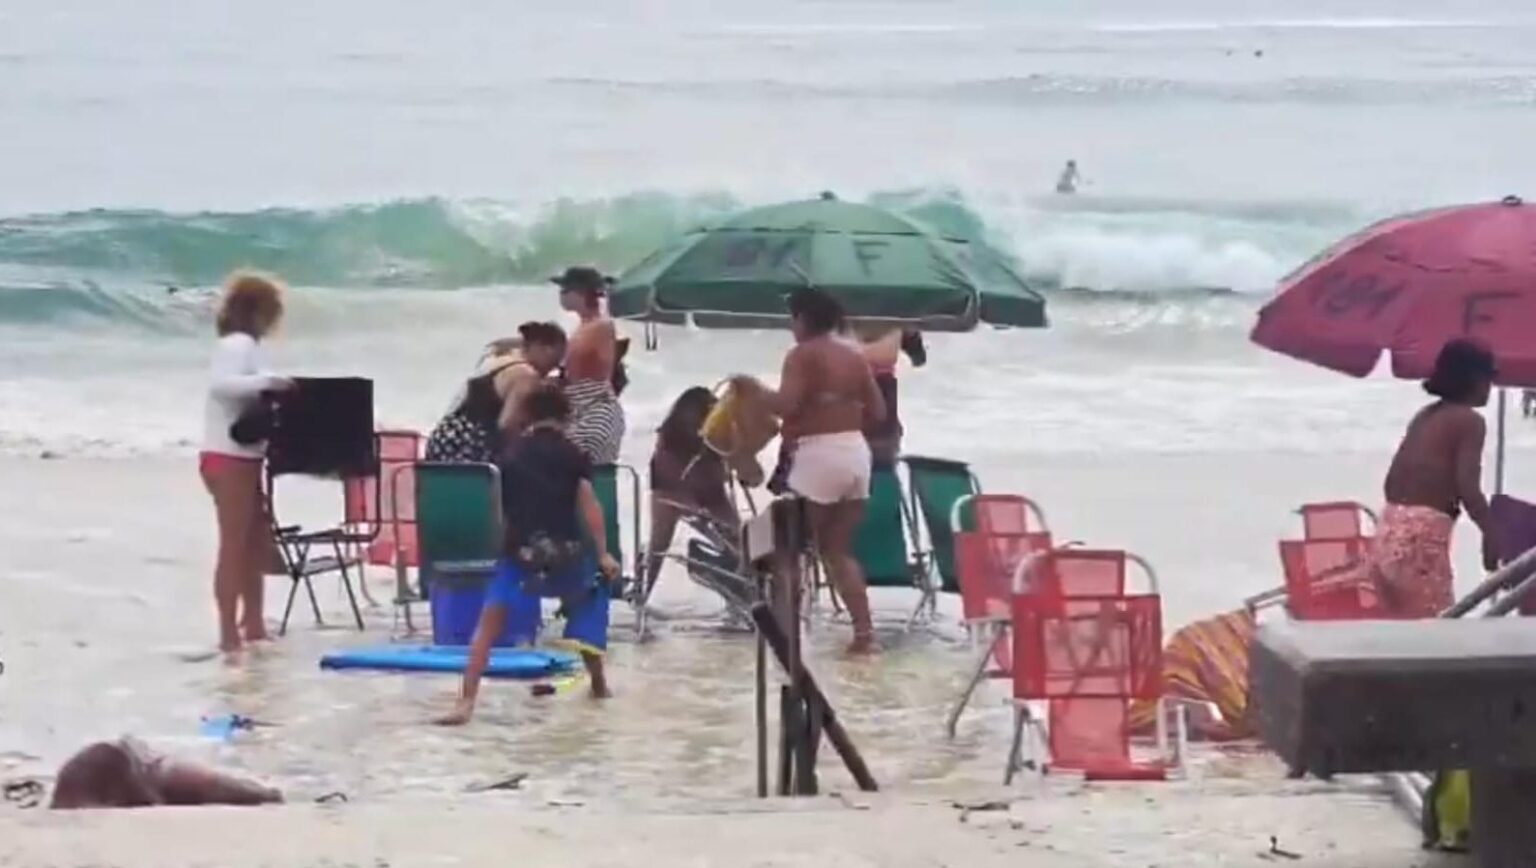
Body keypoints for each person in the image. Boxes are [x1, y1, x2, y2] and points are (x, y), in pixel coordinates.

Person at [437, 385, 623, 725]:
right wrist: (603, 554)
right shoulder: (573, 454)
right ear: (567, 417)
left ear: (527, 417)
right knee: (590, 602)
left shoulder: (509, 454)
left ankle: (465, 703)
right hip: (566, 553)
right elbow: (589, 506)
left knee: (488, 627)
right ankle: (598, 684)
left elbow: (500, 513)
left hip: (519, 555)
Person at [737, 288, 886, 654]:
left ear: (802, 319)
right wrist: (839, 411)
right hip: (855, 453)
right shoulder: (854, 357)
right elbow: (879, 412)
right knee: (838, 550)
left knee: (788, 549)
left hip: (819, 456)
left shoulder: (802, 355)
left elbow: (785, 404)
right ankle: (865, 635)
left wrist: (753, 389)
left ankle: (787, 634)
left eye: (792, 318)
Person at [1368, 338, 1498, 617]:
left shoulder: (1424, 416)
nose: (1491, 385)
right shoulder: (1470, 421)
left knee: (1403, 627)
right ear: (1473, 378)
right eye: (1489, 376)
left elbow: (1392, 481)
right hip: (1420, 539)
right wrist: (1491, 531)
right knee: (1435, 632)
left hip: (1388, 529)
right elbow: (1468, 488)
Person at [201, 272, 293, 654]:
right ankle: (228, 632)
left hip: (242, 458)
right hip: (228, 458)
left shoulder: (247, 347)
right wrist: (270, 381)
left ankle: (252, 622)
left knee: (254, 543)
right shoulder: (236, 345)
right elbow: (222, 385)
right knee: (235, 546)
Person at [643, 387, 740, 599]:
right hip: (670, 492)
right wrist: (691, 506)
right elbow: (663, 473)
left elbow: (730, 461)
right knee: (659, 544)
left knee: (736, 540)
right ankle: (643, 591)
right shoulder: (669, 438)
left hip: (711, 492)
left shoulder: (714, 435)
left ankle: (740, 591)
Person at [424, 322, 567, 463]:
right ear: (545, 349)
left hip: (445, 438)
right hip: (470, 444)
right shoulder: (526, 376)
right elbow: (507, 425)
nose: (553, 369)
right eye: (555, 362)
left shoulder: (500, 360)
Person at [50, 738, 282, 809]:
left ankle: (267, 793)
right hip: (123, 768)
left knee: (200, 783)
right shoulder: (74, 787)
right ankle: (267, 793)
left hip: (140, 765)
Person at [554, 266, 627, 465]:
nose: (561, 296)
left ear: (579, 293)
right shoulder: (586, 327)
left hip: (595, 411)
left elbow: (597, 368)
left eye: (564, 290)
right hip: (584, 409)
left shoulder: (600, 327)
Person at [852, 325, 926, 467]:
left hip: (844, 404)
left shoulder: (836, 316)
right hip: (882, 403)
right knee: (881, 457)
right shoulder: (897, 316)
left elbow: (918, 357)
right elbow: (918, 357)